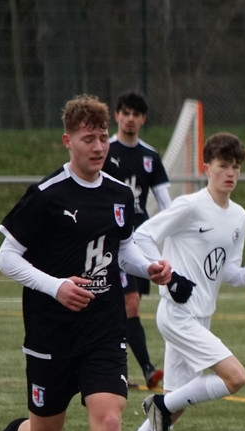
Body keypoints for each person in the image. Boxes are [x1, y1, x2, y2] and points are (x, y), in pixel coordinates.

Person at [0, 94, 183, 431]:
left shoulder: (119, 193)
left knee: (108, 423)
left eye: (102, 137)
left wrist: (149, 267)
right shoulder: (48, 195)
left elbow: (122, 250)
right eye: (88, 139)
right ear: (68, 141)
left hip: (103, 330)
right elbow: (6, 256)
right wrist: (56, 287)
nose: (98, 146)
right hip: (51, 335)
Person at [121, 132, 245, 431]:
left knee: (177, 407)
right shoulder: (189, 206)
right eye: (223, 166)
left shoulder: (239, 216)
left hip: (202, 317)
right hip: (177, 314)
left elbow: (227, 271)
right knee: (235, 377)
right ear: (207, 168)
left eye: (235, 167)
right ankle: (158, 404)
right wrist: (168, 276)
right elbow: (141, 237)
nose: (230, 173)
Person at [103, 91, 172, 390]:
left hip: (139, 242)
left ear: (143, 119)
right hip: (112, 240)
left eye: (136, 114)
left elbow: (166, 203)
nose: (130, 119)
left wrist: (176, 230)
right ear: (116, 116)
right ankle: (147, 368)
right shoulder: (105, 151)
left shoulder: (150, 156)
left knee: (125, 308)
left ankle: (115, 370)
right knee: (128, 303)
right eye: (125, 113)